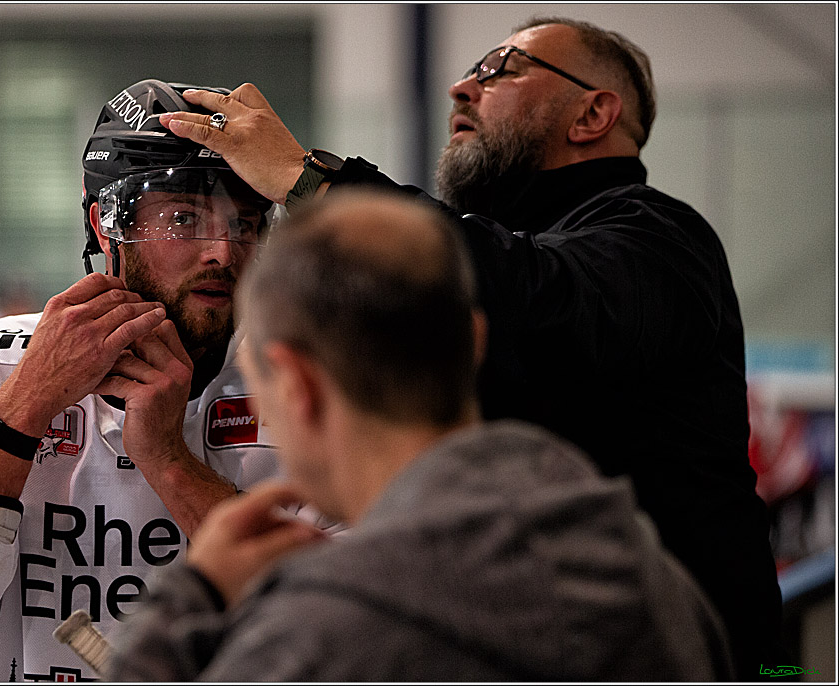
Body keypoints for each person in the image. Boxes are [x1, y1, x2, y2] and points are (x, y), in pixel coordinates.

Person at [156, 17, 781, 677]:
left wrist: (304, 179)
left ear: (592, 113)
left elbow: (533, 297)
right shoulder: (513, 251)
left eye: (499, 70)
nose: (461, 86)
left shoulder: (658, 237)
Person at [0, 79, 332, 682]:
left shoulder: (312, 390)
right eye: (184, 218)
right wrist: (18, 414)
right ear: (106, 224)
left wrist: (168, 461)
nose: (222, 250)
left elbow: (355, 640)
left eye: (245, 223)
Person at [105, 190, 733, 681]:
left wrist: (194, 596)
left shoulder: (329, 632)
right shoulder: (655, 579)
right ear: (474, 343)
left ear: (296, 384)